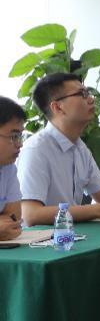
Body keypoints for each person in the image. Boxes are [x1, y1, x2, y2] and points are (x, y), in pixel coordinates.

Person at [18, 73, 100, 224]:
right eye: (82, 94)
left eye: (88, 93)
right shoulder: (36, 150)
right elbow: (31, 215)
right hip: (42, 237)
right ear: (58, 107)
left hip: (71, 233)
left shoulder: (80, 148)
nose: (91, 99)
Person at [0, 97, 28, 240]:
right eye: (13, 136)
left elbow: (14, 218)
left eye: (20, 136)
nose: (20, 144)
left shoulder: (8, 168)